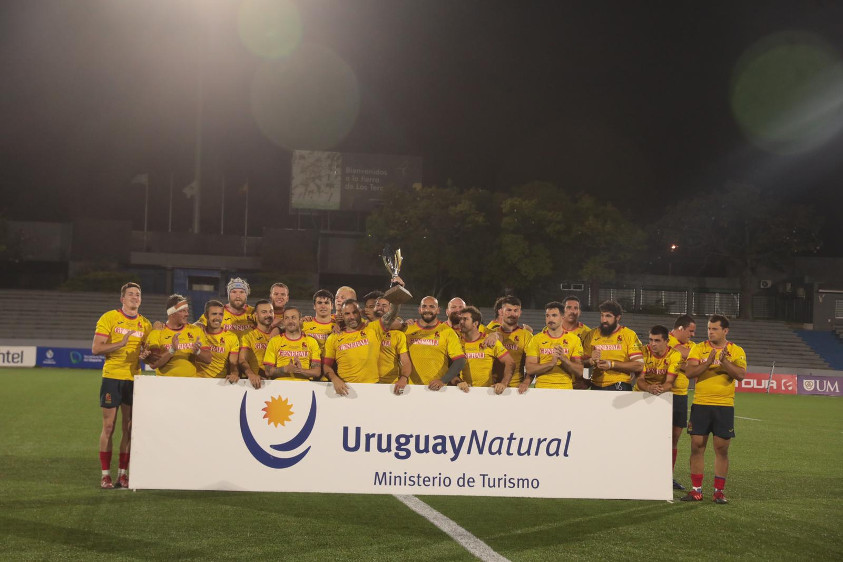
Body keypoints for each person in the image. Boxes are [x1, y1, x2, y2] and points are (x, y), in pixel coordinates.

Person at [91, 282, 152, 489]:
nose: (135, 297)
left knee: (129, 427)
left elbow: (150, 355)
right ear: (122, 299)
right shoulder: (109, 318)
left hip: (134, 379)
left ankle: (123, 475)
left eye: (138, 294)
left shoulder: (145, 324)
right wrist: (120, 343)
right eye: (131, 294)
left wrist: (146, 354)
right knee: (109, 426)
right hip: (112, 377)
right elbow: (96, 348)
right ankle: (105, 475)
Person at [681, 315, 747, 504]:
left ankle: (719, 491)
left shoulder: (736, 350)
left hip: (724, 406)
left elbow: (741, 375)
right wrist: (709, 362)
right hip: (701, 404)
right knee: (696, 447)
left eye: (715, 329)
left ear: (725, 331)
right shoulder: (698, 348)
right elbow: (689, 373)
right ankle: (696, 490)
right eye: (709, 328)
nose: (710, 332)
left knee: (721, 449)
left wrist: (724, 361)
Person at [322, 297, 401, 395]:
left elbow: (391, 315)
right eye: (347, 313)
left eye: (354, 312)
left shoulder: (373, 328)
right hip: (345, 389)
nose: (352, 316)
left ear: (360, 312)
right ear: (342, 315)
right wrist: (334, 379)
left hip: (372, 388)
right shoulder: (333, 337)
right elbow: (326, 365)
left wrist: (397, 293)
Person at [404, 296, 466, 390]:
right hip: (411, 388)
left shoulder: (447, 331)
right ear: (419, 310)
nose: (427, 310)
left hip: (437, 389)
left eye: (432, 307)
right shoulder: (408, 329)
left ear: (438, 310)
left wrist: (443, 380)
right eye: (424, 306)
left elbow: (460, 360)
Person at [522, 301, 584, 392]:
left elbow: (579, 371)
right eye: (547, 316)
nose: (550, 319)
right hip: (542, 389)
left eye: (554, 315)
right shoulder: (536, 339)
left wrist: (564, 359)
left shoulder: (574, 339)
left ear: (563, 317)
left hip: (565, 390)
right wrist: (551, 363)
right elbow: (530, 369)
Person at [582, 300, 643, 390]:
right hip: (596, 386)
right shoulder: (592, 334)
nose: (604, 320)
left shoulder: (629, 335)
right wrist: (591, 360)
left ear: (618, 317)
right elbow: (581, 363)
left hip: (620, 385)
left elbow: (639, 365)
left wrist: (612, 364)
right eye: (602, 315)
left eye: (608, 316)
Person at [146, 294, 211, 377]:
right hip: (165, 384)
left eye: (187, 310)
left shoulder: (195, 330)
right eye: (182, 311)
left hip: (190, 384)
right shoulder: (158, 331)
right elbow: (153, 364)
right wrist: (172, 350)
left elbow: (208, 359)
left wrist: (198, 352)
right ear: (171, 313)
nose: (187, 314)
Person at [668, 314, 696, 490]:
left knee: (675, 438)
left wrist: (685, 364)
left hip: (681, 395)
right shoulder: (666, 339)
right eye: (690, 331)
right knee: (657, 437)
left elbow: (694, 363)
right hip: (663, 394)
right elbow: (691, 358)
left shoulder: (691, 345)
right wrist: (688, 361)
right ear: (680, 329)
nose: (692, 335)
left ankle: (668, 476)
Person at [457, 306, 514, 394]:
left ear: (475, 323)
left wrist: (503, 383)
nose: (461, 322)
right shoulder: (457, 342)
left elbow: (510, 362)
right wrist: (459, 382)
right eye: (460, 319)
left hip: (486, 393)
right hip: (464, 392)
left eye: (465, 319)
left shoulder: (489, 341)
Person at [263, 307, 323, 381]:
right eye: (287, 318)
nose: (290, 321)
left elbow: (317, 372)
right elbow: (268, 371)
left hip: (304, 387)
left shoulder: (311, 341)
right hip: (280, 387)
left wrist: (300, 370)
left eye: (293, 318)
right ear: (283, 321)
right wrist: (285, 369)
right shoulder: (274, 341)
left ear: (300, 320)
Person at [490, 296, 532, 389]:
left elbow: (532, 364)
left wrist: (526, 383)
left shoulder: (526, 336)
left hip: (515, 388)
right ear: (501, 312)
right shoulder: (491, 333)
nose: (512, 314)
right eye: (508, 310)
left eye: (515, 311)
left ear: (520, 313)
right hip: (492, 387)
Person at [373, 296, 412, 394]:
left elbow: (405, 361)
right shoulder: (366, 328)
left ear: (390, 309)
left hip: (390, 384)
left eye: (384, 305)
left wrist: (404, 378)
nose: (380, 307)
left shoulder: (398, 334)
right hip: (368, 382)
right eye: (378, 305)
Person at [196, 300, 241, 382]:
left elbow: (233, 363)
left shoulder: (231, 337)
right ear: (206, 315)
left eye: (220, 314)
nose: (217, 318)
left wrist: (234, 373)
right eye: (214, 314)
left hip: (219, 383)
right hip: (196, 381)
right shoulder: (198, 332)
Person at [239, 299, 275, 389]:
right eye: (264, 312)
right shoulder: (248, 336)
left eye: (271, 312)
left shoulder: (280, 335)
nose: (268, 315)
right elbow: (242, 360)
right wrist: (251, 375)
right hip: (255, 383)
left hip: (276, 383)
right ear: (256, 315)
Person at [302, 289, 336, 357]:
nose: (323, 306)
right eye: (319, 303)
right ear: (314, 306)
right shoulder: (304, 324)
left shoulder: (337, 326)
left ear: (332, 306)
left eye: (326, 303)